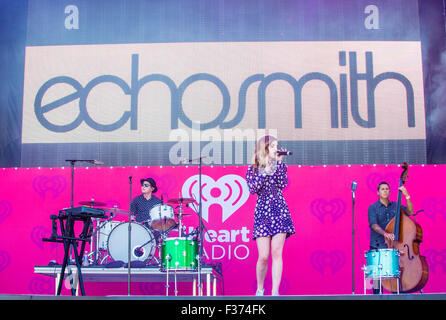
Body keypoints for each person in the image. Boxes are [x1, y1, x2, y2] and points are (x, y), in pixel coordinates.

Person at [245, 135, 295, 296]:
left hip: (279, 209)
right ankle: (260, 289)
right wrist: (265, 170)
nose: (276, 149)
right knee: (264, 256)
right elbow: (252, 189)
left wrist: (279, 162)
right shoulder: (253, 167)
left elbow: (283, 184)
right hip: (263, 211)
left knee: (276, 252)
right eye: (273, 146)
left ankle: (275, 292)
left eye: (277, 146)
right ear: (264, 148)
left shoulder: (279, 165)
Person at [367, 181, 413, 294]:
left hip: (394, 245)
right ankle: (377, 296)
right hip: (377, 244)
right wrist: (385, 234)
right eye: (382, 189)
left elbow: (410, 212)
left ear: (389, 191)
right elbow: (373, 224)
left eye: (387, 189)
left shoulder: (396, 206)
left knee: (396, 275)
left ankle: (396, 295)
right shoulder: (372, 207)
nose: (385, 191)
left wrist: (407, 195)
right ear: (378, 192)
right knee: (377, 278)